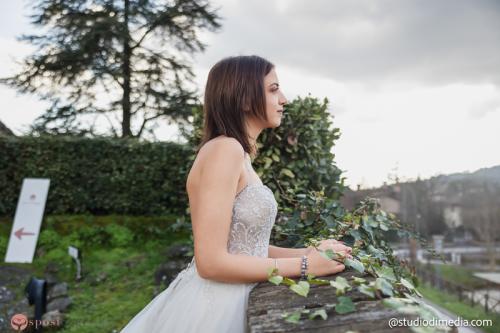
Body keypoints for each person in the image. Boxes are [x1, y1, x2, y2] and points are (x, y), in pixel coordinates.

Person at [120, 55, 351, 333]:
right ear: (244, 99)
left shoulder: (238, 155)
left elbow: (243, 247)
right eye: (273, 89)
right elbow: (210, 262)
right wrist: (304, 265)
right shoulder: (225, 150)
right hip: (214, 309)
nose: (284, 99)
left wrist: (310, 252)